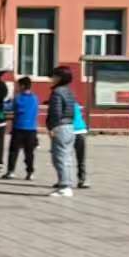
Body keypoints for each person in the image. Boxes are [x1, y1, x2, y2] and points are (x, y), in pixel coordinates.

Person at [46, 67, 80, 197]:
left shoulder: (57, 92)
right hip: (70, 126)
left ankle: (65, 186)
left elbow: (56, 112)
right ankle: (67, 183)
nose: (52, 78)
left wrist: (52, 127)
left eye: (54, 76)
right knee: (67, 157)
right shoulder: (69, 91)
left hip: (60, 127)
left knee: (59, 157)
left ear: (60, 78)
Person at [3, 76, 40, 179]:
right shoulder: (35, 98)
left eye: (18, 85)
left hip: (19, 127)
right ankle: (30, 172)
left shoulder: (18, 98)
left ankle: (11, 171)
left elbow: (8, 107)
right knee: (29, 152)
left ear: (22, 86)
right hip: (32, 128)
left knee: (14, 151)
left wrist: (6, 102)